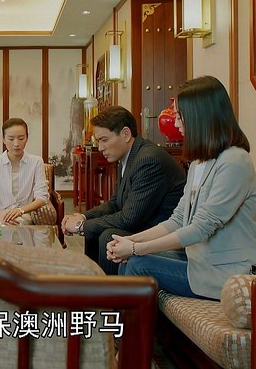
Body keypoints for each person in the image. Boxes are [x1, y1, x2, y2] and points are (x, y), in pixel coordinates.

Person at [107, 76, 256, 300]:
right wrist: (133, 240)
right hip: (199, 260)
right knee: (130, 260)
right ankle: (134, 323)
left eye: (180, 116)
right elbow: (179, 219)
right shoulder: (199, 162)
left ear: (200, 117)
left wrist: (135, 248)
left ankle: (130, 324)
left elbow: (201, 228)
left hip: (228, 272)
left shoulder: (235, 161)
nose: (176, 124)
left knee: (137, 263)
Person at [61, 106, 186, 275]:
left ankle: (114, 290)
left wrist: (81, 226)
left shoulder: (148, 160)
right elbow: (115, 203)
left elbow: (129, 219)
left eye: (104, 140)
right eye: (98, 141)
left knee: (109, 236)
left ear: (126, 134)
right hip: (143, 223)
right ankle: (95, 285)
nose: (100, 147)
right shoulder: (128, 156)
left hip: (163, 235)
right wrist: (84, 217)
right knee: (95, 232)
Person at [0, 118, 49, 225]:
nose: (16, 144)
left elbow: (42, 197)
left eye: (21, 138)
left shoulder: (36, 162)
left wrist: (20, 211)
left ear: (27, 138)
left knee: (19, 223)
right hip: (0, 215)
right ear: (3, 139)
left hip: (24, 214)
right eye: (11, 139)